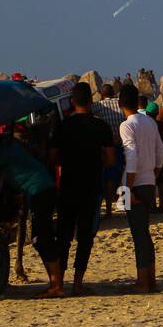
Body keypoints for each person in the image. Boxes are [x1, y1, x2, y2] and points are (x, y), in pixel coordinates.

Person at [0, 127, 63, 298]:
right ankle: (55, 283)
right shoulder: (9, 147)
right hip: (40, 191)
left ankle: (57, 285)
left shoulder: (5, 153)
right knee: (40, 239)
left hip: (40, 192)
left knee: (42, 238)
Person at [48, 83, 115, 295]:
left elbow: (52, 158)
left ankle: (59, 283)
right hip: (92, 185)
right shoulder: (101, 126)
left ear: (71, 102)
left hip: (68, 185)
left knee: (64, 235)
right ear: (91, 102)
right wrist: (97, 163)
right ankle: (78, 283)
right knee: (86, 236)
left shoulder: (62, 126)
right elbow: (111, 159)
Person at [118, 83, 162, 291]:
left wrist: (128, 189)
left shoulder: (126, 125)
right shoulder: (150, 122)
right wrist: (154, 175)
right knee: (144, 232)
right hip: (148, 181)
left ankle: (142, 281)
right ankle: (150, 279)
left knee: (138, 234)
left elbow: (131, 155)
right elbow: (160, 153)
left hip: (133, 183)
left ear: (120, 104)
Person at [93, 83, 126, 218]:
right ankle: (125, 206)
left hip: (106, 147)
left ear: (101, 94)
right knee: (123, 175)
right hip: (122, 144)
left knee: (108, 179)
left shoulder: (99, 106)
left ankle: (108, 211)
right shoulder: (121, 104)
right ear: (114, 93)